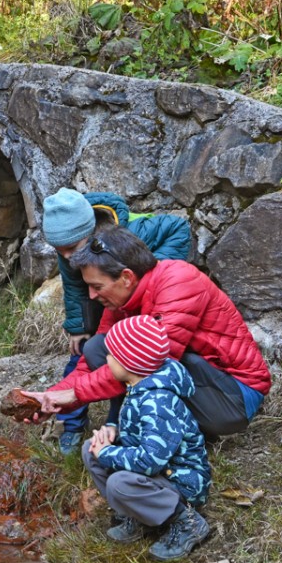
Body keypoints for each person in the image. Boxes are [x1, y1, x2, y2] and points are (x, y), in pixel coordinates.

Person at [22, 226, 270, 439]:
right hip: (202, 382)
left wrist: (74, 393)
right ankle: (149, 428)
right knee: (99, 347)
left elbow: (147, 364)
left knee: (141, 355)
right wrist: (51, 399)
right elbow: (89, 364)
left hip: (233, 399)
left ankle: (154, 431)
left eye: (97, 286)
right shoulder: (122, 301)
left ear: (127, 277)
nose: (92, 296)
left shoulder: (178, 281)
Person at [41, 188, 193, 453]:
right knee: (84, 355)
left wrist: (148, 277)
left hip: (134, 299)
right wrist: (79, 328)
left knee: (128, 363)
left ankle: (120, 423)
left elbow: (179, 228)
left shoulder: (133, 233)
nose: (66, 256)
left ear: (88, 234)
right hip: (104, 299)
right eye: (59, 250)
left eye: (71, 249)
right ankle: (70, 424)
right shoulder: (69, 246)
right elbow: (74, 287)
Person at [82, 313, 213, 561]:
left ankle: (187, 522)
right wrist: (114, 431)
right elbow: (143, 434)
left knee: (119, 482)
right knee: (91, 448)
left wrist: (108, 453)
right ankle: (139, 513)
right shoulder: (140, 386)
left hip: (181, 481)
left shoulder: (158, 401)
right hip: (159, 472)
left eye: (111, 355)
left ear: (128, 363)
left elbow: (151, 460)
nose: (107, 358)